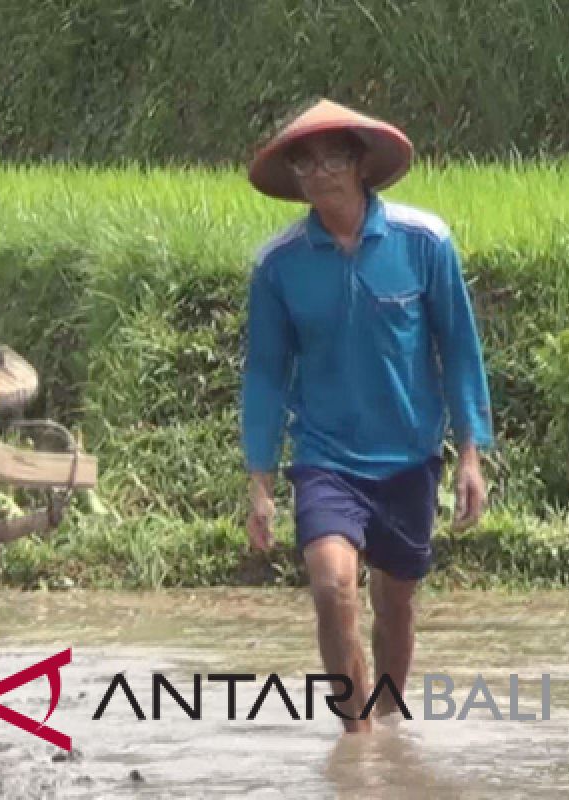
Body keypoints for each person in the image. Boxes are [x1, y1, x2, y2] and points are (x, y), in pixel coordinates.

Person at [241, 99, 494, 733]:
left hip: (409, 456)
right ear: (296, 179)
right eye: (306, 164)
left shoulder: (424, 242)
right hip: (326, 457)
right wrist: (261, 481)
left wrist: (470, 453)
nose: (320, 174)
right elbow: (266, 374)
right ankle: (357, 744)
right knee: (333, 589)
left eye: (332, 159)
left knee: (397, 605)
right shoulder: (279, 265)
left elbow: (458, 348)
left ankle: (388, 722)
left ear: (360, 166)